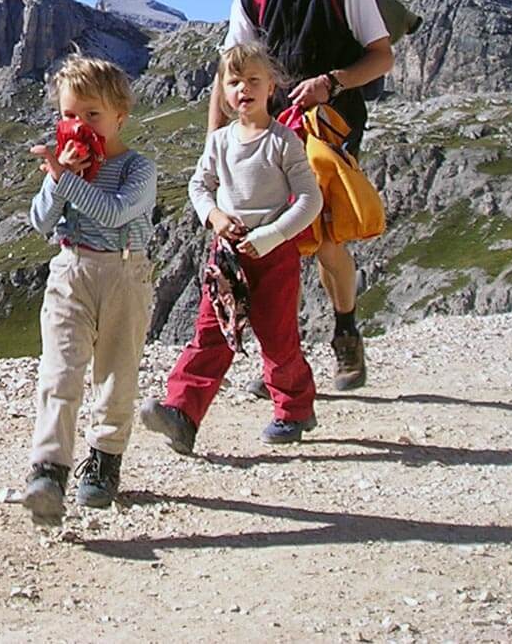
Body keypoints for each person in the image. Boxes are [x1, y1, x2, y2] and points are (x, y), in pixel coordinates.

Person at [215, 0, 393, 391]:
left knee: (325, 232)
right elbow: (230, 71)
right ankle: (285, 362)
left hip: (332, 125)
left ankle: (344, 334)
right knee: (279, 240)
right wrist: (219, 142)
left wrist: (332, 82)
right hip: (272, 126)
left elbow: (381, 54)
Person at [138, 42, 323, 449]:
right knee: (211, 331)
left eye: (253, 80)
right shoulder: (220, 141)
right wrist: (215, 217)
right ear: (222, 90)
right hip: (226, 255)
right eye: (234, 82)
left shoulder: (284, 141)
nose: (244, 89)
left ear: (271, 86)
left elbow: (311, 199)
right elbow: (199, 185)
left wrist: (271, 235)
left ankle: (294, 408)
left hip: (274, 254)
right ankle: (182, 413)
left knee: (277, 335)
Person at [19, 55, 158, 525]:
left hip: (124, 274)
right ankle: (48, 471)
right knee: (59, 372)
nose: (79, 126)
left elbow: (115, 212)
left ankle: (103, 462)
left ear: (120, 116)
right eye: (69, 115)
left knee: (116, 374)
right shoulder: (65, 169)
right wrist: (59, 183)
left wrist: (66, 180)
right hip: (71, 270)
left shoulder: (139, 168)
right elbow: (40, 222)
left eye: (92, 116)